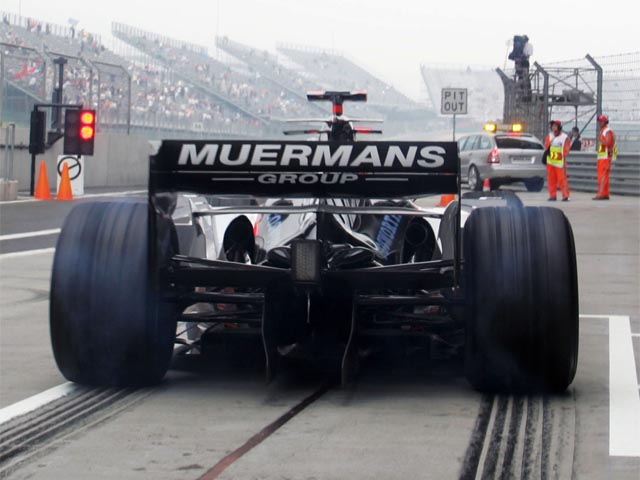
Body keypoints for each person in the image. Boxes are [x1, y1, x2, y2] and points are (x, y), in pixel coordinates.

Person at [544, 120, 571, 201]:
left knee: (562, 180)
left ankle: (565, 196)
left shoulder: (564, 137)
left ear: (559, 127)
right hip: (550, 162)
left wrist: (561, 156)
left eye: (555, 126)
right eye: (552, 126)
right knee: (551, 180)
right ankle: (552, 196)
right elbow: (546, 147)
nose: (553, 128)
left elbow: (566, 149)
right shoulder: (549, 136)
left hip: (560, 163)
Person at [594, 115, 617, 200]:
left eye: (601, 121)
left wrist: (600, 138)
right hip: (602, 157)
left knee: (602, 177)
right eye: (599, 121)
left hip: (605, 158)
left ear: (605, 122)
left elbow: (608, 142)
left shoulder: (607, 131)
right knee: (604, 176)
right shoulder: (603, 130)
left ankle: (601, 194)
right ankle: (605, 194)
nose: (600, 123)